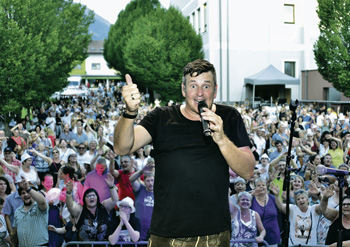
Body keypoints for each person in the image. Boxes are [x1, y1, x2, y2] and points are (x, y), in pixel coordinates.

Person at [114, 59, 255, 246]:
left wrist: (221, 139)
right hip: (167, 233)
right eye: (193, 86)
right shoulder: (161, 117)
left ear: (215, 89)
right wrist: (130, 112)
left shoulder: (229, 117)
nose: (199, 93)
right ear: (183, 89)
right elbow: (121, 147)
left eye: (206, 86)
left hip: (214, 234)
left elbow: (247, 171)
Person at [66, 173, 118, 241]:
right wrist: (69, 193)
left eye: (93, 195)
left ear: (97, 198)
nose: (91, 197)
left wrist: (111, 186)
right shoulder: (80, 210)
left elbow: (114, 200)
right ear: (84, 199)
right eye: (88, 196)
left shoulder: (103, 206)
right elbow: (71, 207)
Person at [13, 176, 49, 246]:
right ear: (20, 196)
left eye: (28, 192)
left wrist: (28, 188)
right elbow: (15, 231)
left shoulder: (39, 206)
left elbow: (42, 202)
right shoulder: (18, 211)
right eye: (23, 193)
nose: (26, 195)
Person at [129, 162, 154, 241]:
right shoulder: (140, 189)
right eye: (148, 181)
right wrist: (141, 172)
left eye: (152, 180)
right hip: (139, 233)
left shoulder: (159, 193)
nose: (150, 183)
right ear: (144, 181)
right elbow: (131, 180)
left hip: (153, 233)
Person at [251, 178, 280, 247]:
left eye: (263, 185)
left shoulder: (273, 198)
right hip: (256, 238)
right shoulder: (251, 200)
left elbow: (282, 208)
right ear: (255, 188)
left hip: (273, 236)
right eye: (258, 185)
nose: (261, 187)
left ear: (266, 187)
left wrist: (277, 195)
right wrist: (252, 195)